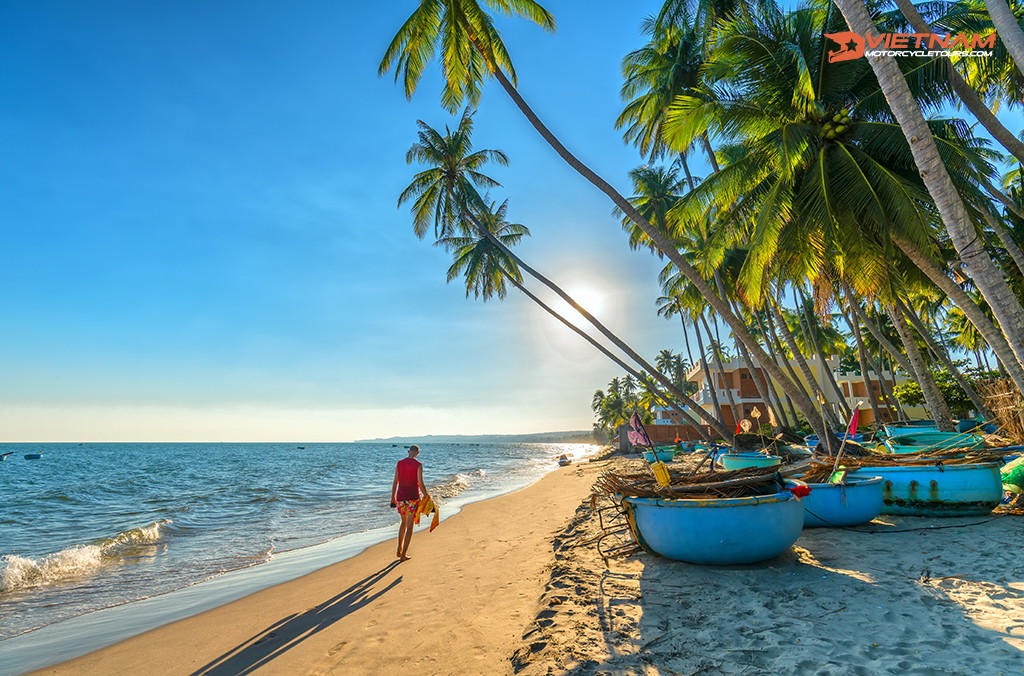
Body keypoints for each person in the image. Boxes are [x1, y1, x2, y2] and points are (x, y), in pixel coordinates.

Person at [390, 445, 429, 561]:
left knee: (403, 523)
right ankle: (403, 556)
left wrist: (392, 498)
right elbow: (421, 483)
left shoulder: (399, 463)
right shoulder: (418, 465)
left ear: (408, 451)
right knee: (410, 527)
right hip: (412, 498)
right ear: (417, 453)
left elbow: (395, 482)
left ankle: (399, 549)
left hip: (400, 497)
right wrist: (426, 496)